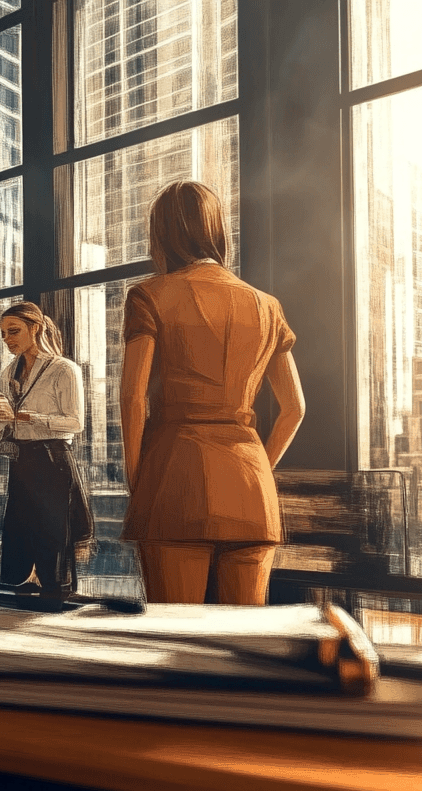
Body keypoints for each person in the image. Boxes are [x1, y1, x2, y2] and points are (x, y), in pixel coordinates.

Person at [120, 180, 306, 605]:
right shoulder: (266, 304)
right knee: (242, 645)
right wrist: (259, 465)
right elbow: (294, 408)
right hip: (251, 485)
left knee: (178, 637)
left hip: (174, 475)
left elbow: (133, 398)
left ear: (161, 233)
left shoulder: (149, 295)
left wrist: (138, 476)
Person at [0, 302, 93, 610]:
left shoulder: (63, 368)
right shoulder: (6, 373)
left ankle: (57, 604)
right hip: (22, 462)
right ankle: (24, 609)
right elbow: (9, 422)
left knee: (53, 536)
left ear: (35, 328)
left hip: (53, 460)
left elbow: (75, 422)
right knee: (20, 535)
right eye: (3, 335)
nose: (8, 340)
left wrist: (31, 418)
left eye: (13, 331)